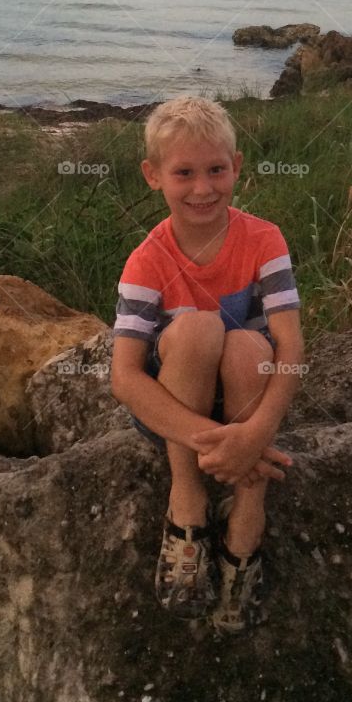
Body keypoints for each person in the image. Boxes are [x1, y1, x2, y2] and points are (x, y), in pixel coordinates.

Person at [109, 96, 305, 633]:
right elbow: (124, 377)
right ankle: (187, 496)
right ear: (153, 176)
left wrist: (255, 433)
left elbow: (290, 349)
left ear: (236, 166)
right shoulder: (147, 260)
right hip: (175, 414)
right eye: (184, 173)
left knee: (247, 346)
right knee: (198, 328)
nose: (203, 188)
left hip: (249, 401)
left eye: (216, 170)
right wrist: (218, 443)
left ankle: (247, 511)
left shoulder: (263, 239)